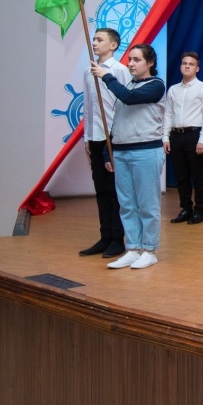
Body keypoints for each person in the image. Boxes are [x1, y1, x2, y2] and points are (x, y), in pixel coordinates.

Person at [90, 44, 166, 270]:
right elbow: (118, 121)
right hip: (122, 152)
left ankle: (149, 250)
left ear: (150, 63)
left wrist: (107, 77)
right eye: (130, 59)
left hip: (145, 152)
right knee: (127, 204)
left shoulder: (156, 85)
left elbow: (130, 98)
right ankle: (133, 248)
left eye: (136, 60)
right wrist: (108, 151)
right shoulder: (129, 85)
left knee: (147, 204)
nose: (131, 64)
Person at [79, 28, 130, 258]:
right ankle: (105, 236)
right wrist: (86, 137)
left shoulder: (120, 71)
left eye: (100, 40)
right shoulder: (88, 72)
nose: (95, 43)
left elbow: (125, 105)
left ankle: (118, 238)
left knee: (115, 191)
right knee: (101, 190)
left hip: (113, 138)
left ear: (113, 45)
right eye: (94, 39)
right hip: (95, 138)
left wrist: (118, 138)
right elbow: (88, 107)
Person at [163, 51, 203, 225]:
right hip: (176, 135)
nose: (187, 66)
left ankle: (199, 210)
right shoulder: (173, 90)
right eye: (184, 63)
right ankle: (186, 208)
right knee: (181, 175)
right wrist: (165, 137)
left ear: (197, 68)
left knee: (197, 175)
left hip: (194, 134)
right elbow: (168, 114)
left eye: (191, 64)